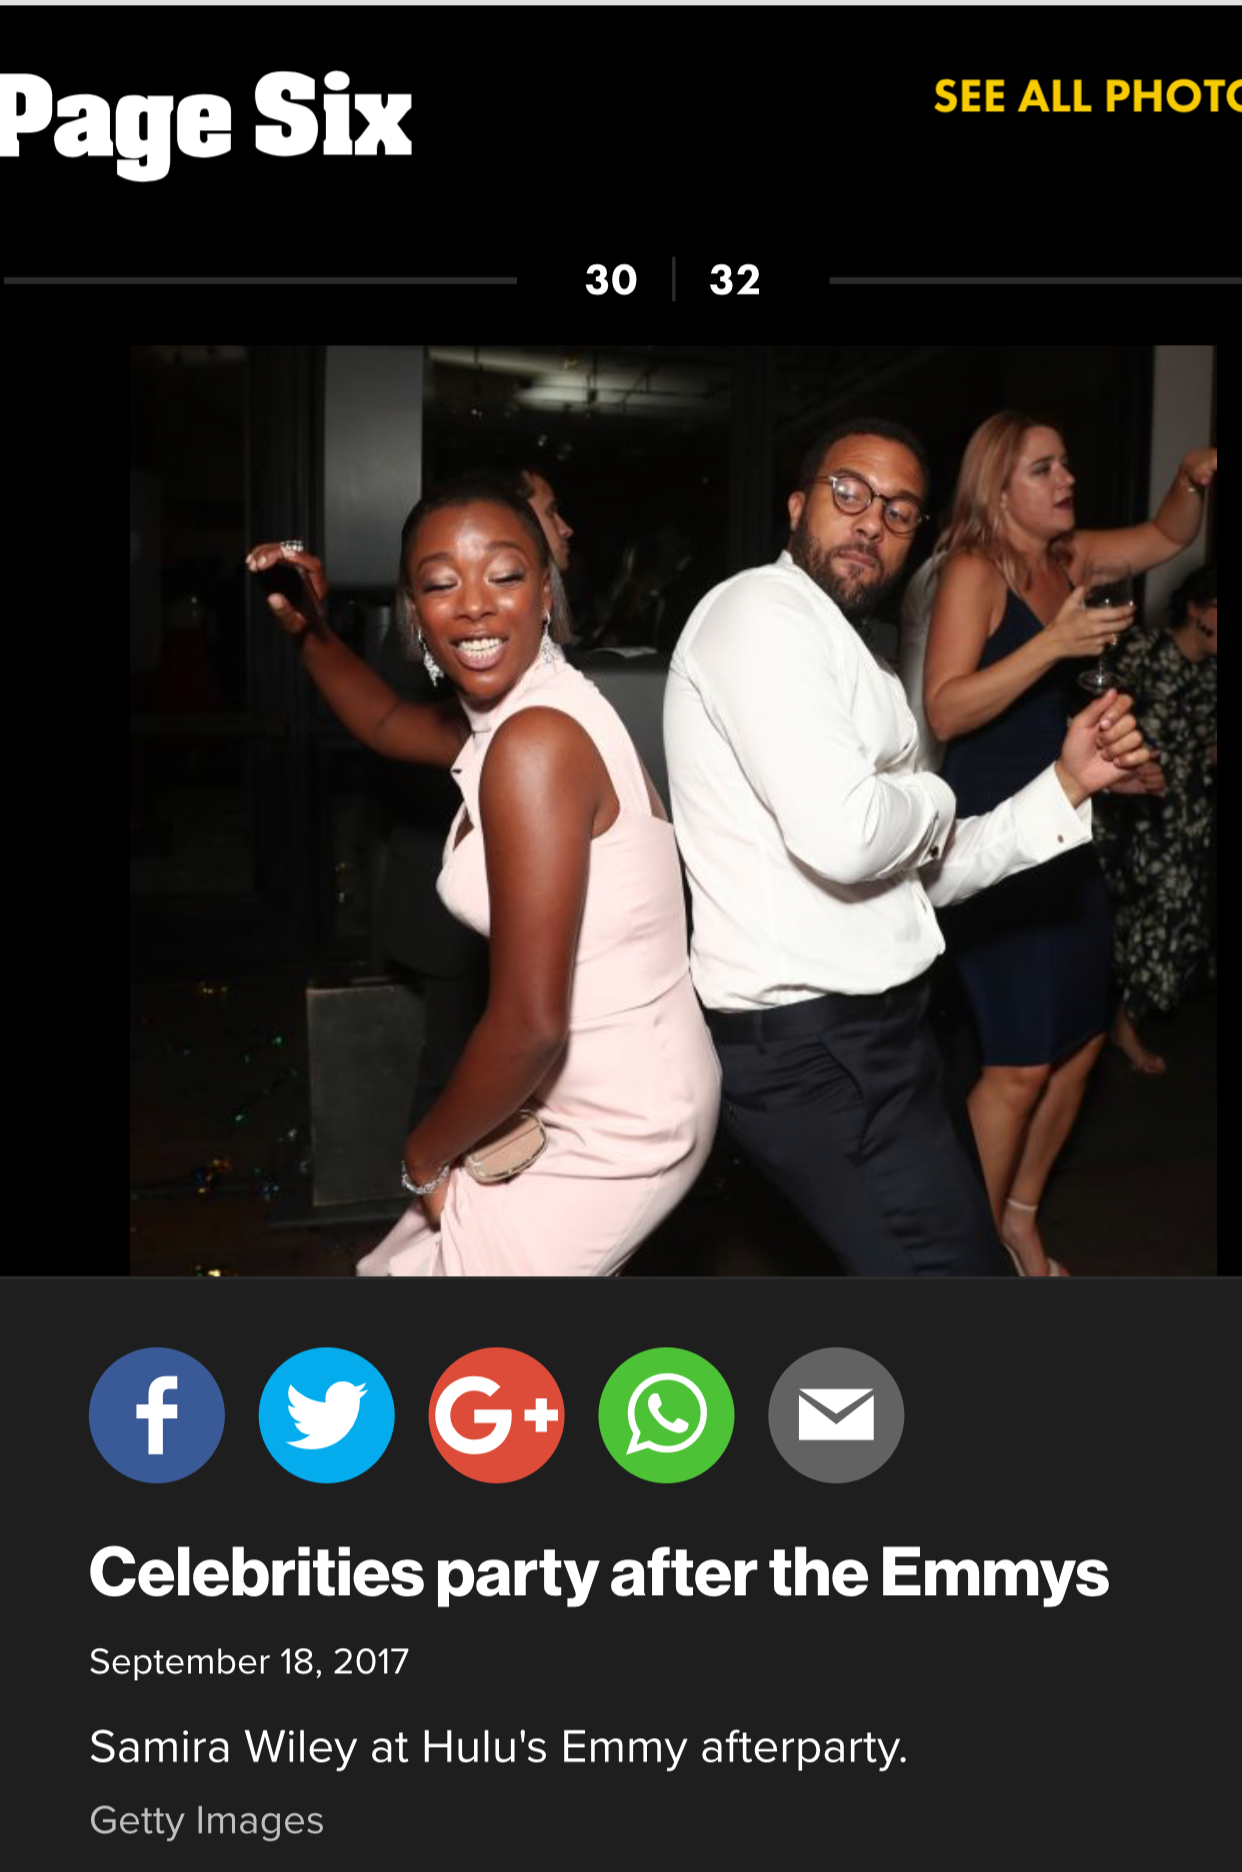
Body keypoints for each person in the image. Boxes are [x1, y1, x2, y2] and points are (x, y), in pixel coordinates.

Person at [663, 417, 1154, 1278]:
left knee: (968, 1260)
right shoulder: (760, 612)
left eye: (898, 511)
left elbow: (924, 877)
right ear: (796, 506)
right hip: (817, 1051)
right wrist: (934, 793)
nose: (872, 523)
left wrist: (1068, 781)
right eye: (849, 493)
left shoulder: (853, 652)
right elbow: (851, 838)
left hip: (881, 1035)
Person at [246, 477, 719, 1276]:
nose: (472, 605)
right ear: (415, 613)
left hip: (624, 1120)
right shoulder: (516, 715)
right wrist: (310, 630)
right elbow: (387, 722)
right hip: (564, 1092)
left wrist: (423, 1154)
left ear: (546, 593)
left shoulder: (536, 744)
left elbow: (532, 1026)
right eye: (440, 584)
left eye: (503, 574)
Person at [923, 413, 1215, 1271]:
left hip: (1066, 822)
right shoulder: (974, 570)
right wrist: (1053, 641)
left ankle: (1018, 1219)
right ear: (997, 487)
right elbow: (946, 708)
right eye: (1043, 469)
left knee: (1082, 1043)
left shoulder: (1073, 559)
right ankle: (969, 1259)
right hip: (993, 840)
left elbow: (1168, 536)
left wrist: (1191, 479)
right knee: (1017, 1063)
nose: (1067, 480)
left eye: (1066, 464)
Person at [1095, 564, 1217, 1073]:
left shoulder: (1212, 672)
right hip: (1134, 815)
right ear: (1197, 609)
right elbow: (1095, 716)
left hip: (1190, 818)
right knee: (1140, 918)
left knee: (1175, 920)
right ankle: (1110, 1020)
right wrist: (1135, 760)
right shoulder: (1143, 652)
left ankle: (1124, 1020)